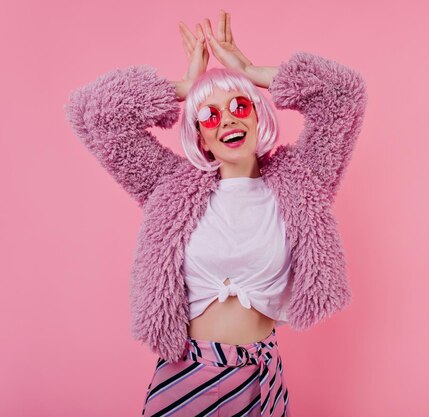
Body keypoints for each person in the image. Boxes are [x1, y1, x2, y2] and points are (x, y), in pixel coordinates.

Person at [65, 9, 367, 417]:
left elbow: (343, 96)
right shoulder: (168, 186)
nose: (226, 119)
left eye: (239, 106)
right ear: (202, 136)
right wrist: (185, 87)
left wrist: (248, 69)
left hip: (262, 376)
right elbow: (97, 115)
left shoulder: (303, 182)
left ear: (258, 115)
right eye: (209, 114)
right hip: (189, 374)